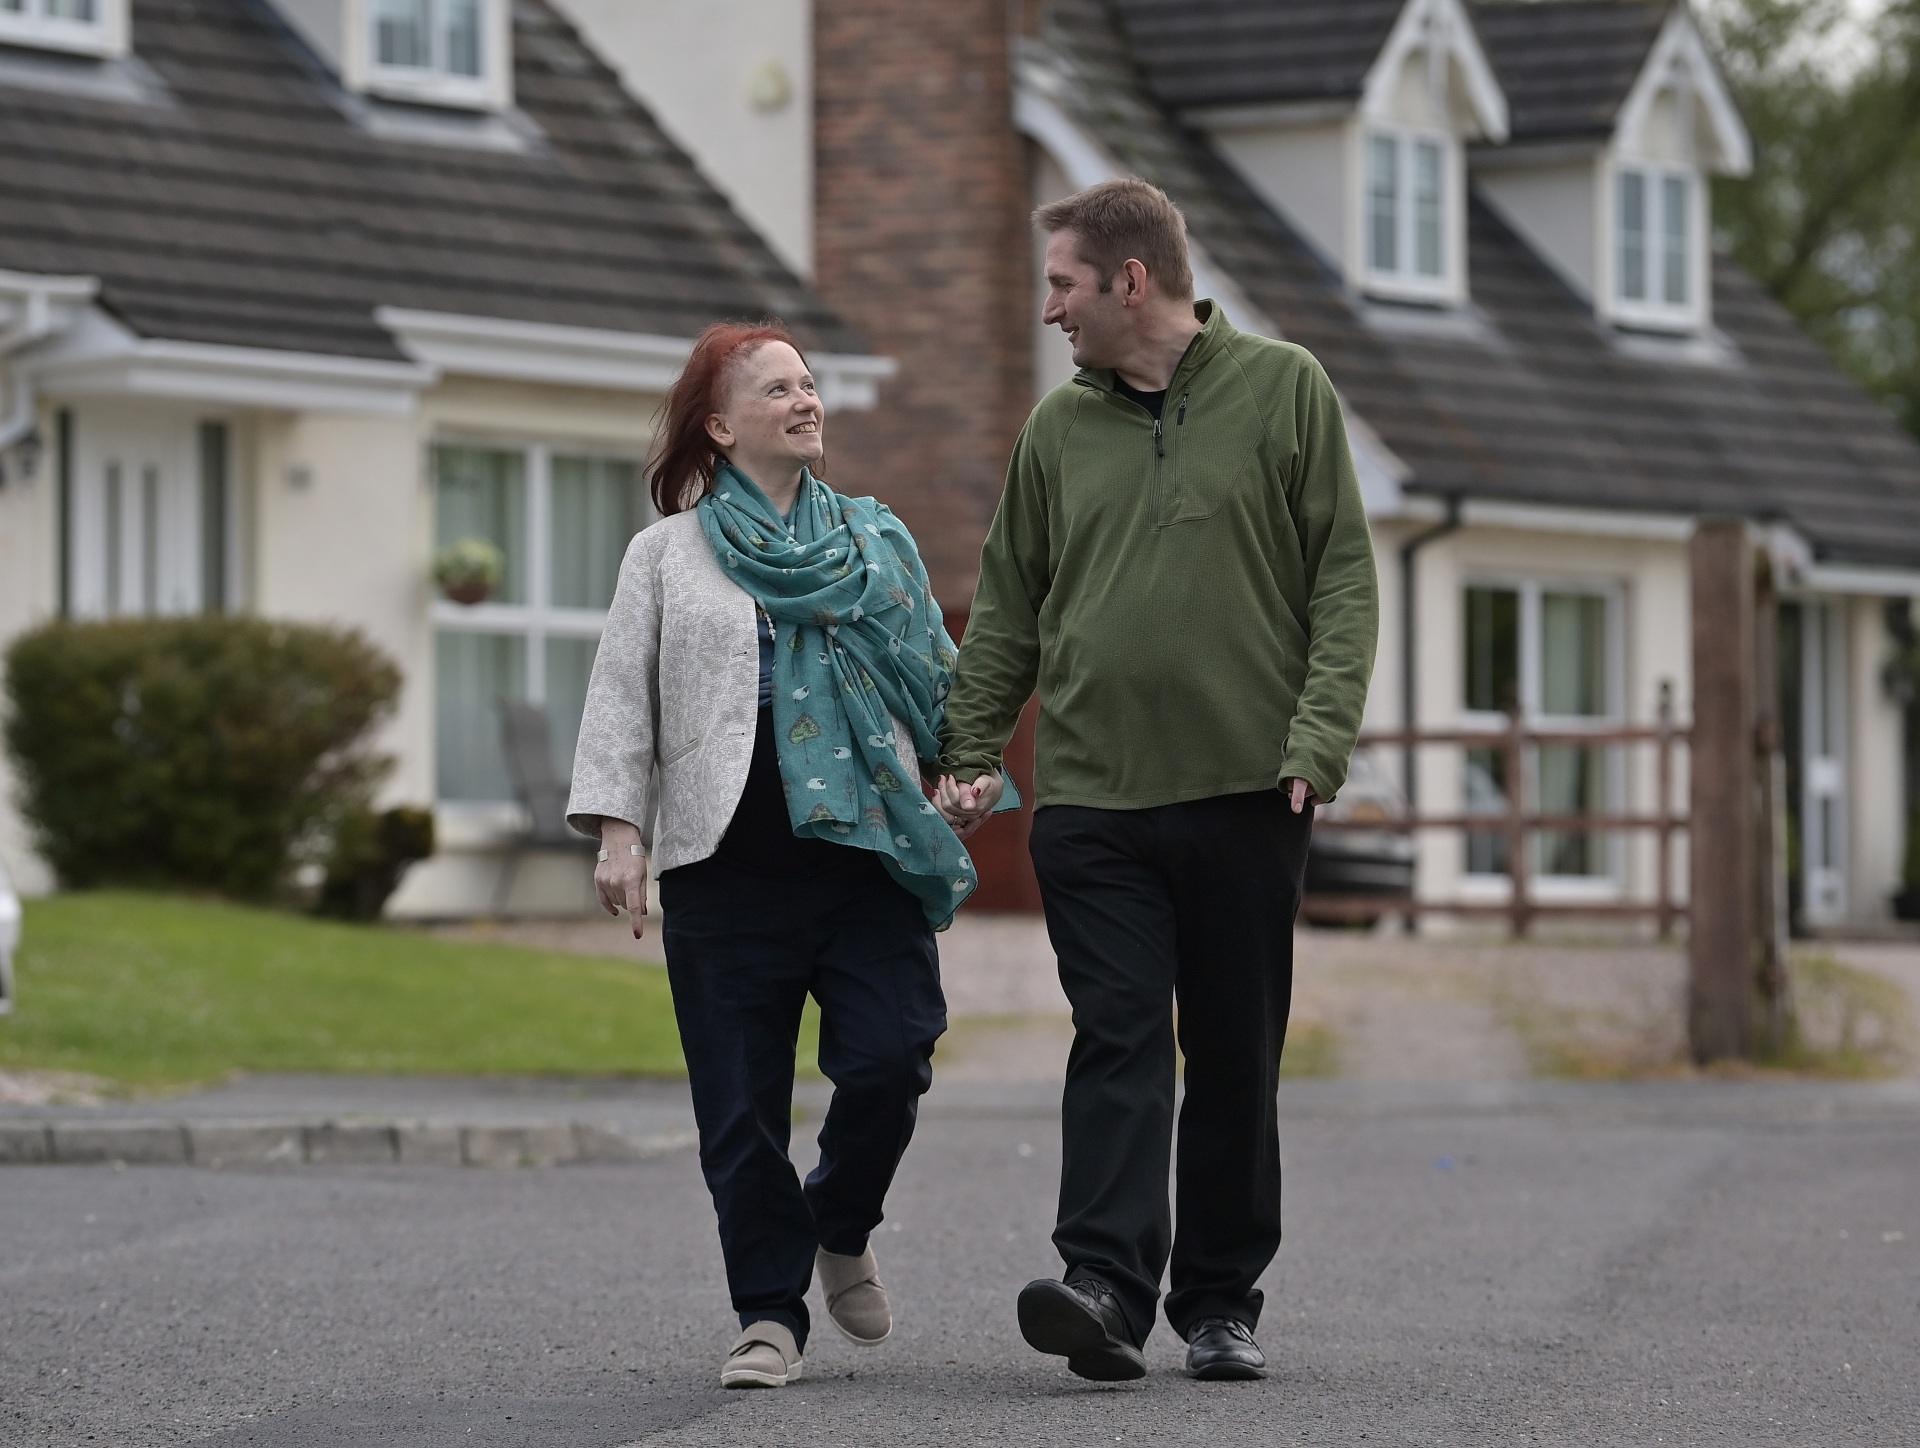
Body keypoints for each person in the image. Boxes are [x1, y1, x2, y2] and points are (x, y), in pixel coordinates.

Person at [935, 179, 1379, 1382]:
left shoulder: (1286, 390)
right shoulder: (1055, 431)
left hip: (1249, 790)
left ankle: (1221, 1301)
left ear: (1133, 280)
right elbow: (1010, 604)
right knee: (1119, 1034)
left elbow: (1342, 575)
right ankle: (1104, 1285)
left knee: (1235, 1045)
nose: (1048, 311)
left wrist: (1318, 737)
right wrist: (969, 746)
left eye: (1064, 284)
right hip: (1092, 799)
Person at [567, 320, 979, 1390]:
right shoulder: (666, 554)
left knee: (893, 1056)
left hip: (864, 850)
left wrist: (962, 767)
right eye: (778, 386)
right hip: (723, 857)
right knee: (741, 1101)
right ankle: (768, 1312)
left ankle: (838, 1219)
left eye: (809, 382)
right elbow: (624, 693)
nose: (806, 399)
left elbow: (939, 679)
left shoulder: (875, 539)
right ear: (719, 422)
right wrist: (622, 827)